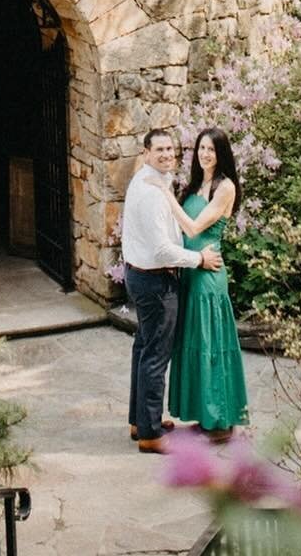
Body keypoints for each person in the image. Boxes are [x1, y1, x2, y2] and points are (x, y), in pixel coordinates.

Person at [121, 128, 224, 453]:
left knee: (143, 347)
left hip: (140, 275)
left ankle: (140, 421)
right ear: (146, 153)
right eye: (159, 150)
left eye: (171, 149)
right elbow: (163, 249)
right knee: (155, 354)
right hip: (155, 280)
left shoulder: (149, 181)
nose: (167, 154)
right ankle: (150, 434)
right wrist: (199, 259)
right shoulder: (150, 192)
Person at [167, 126, 249, 437]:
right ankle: (201, 415)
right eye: (201, 148)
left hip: (208, 277)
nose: (205, 154)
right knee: (193, 343)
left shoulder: (224, 187)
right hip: (190, 273)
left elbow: (192, 228)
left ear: (221, 154)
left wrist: (164, 193)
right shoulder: (195, 185)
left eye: (211, 150)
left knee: (210, 345)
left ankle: (219, 420)